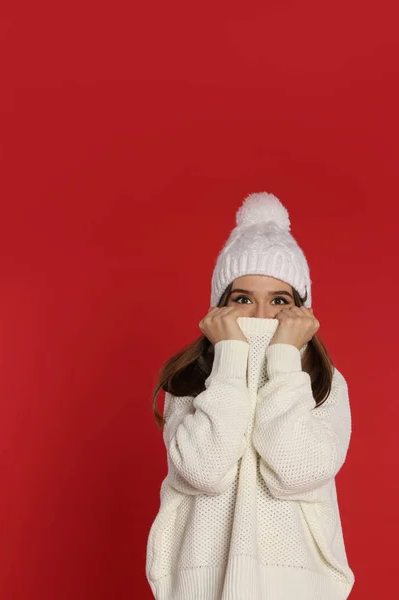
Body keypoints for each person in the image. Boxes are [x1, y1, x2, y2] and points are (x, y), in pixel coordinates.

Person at [146, 191, 355, 599]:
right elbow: (204, 471)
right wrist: (229, 360)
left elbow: (294, 471)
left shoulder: (323, 382)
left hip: (296, 586)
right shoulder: (191, 380)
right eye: (243, 299)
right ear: (218, 308)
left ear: (303, 313)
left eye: (280, 301)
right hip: (200, 584)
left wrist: (280, 360)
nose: (261, 317)